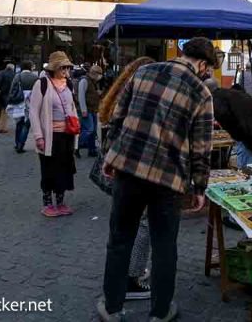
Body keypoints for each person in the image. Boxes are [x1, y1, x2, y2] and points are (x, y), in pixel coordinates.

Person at [98, 37, 216, 322]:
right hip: (168, 180)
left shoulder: (143, 72)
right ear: (201, 63)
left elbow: (117, 117)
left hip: (129, 169)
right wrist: (200, 187)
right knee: (164, 248)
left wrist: (110, 157)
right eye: (207, 68)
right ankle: (159, 313)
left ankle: (112, 308)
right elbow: (201, 147)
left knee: (119, 240)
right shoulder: (201, 93)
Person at [98, 56, 156, 301]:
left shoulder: (120, 93)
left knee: (122, 228)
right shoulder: (137, 96)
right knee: (142, 224)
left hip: (122, 170)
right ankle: (132, 277)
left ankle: (119, 281)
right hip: (135, 170)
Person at [29, 51, 78, 217]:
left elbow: (72, 108)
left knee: (65, 168)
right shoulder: (42, 84)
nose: (66, 70)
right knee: (49, 169)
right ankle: (48, 203)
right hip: (50, 136)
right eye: (62, 67)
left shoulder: (69, 84)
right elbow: (33, 111)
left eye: (67, 67)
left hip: (67, 134)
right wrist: (38, 136)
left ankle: (61, 201)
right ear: (54, 68)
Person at [206, 80, 252, 168]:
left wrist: (251, 144)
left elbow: (232, 125)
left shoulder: (216, 101)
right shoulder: (234, 93)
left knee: (247, 175)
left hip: (250, 137)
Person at [9, 61, 38, 153]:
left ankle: (17, 143)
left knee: (19, 123)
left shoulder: (18, 76)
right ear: (30, 67)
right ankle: (21, 144)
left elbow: (12, 89)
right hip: (31, 102)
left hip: (19, 102)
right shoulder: (35, 77)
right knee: (26, 125)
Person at [76, 64, 103, 158]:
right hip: (87, 110)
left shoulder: (93, 82)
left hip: (93, 109)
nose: (100, 76)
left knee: (93, 130)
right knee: (89, 129)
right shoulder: (84, 80)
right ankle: (76, 146)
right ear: (94, 73)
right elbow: (81, 96)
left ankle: (92, 150)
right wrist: (83, 110)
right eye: (99, 74)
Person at [0, 62, 15, 134]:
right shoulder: (12, 75)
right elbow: (10, 85)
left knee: (0, 111)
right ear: (12, 68)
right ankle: (2, 128)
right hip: (6, 94)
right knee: (4, 112)